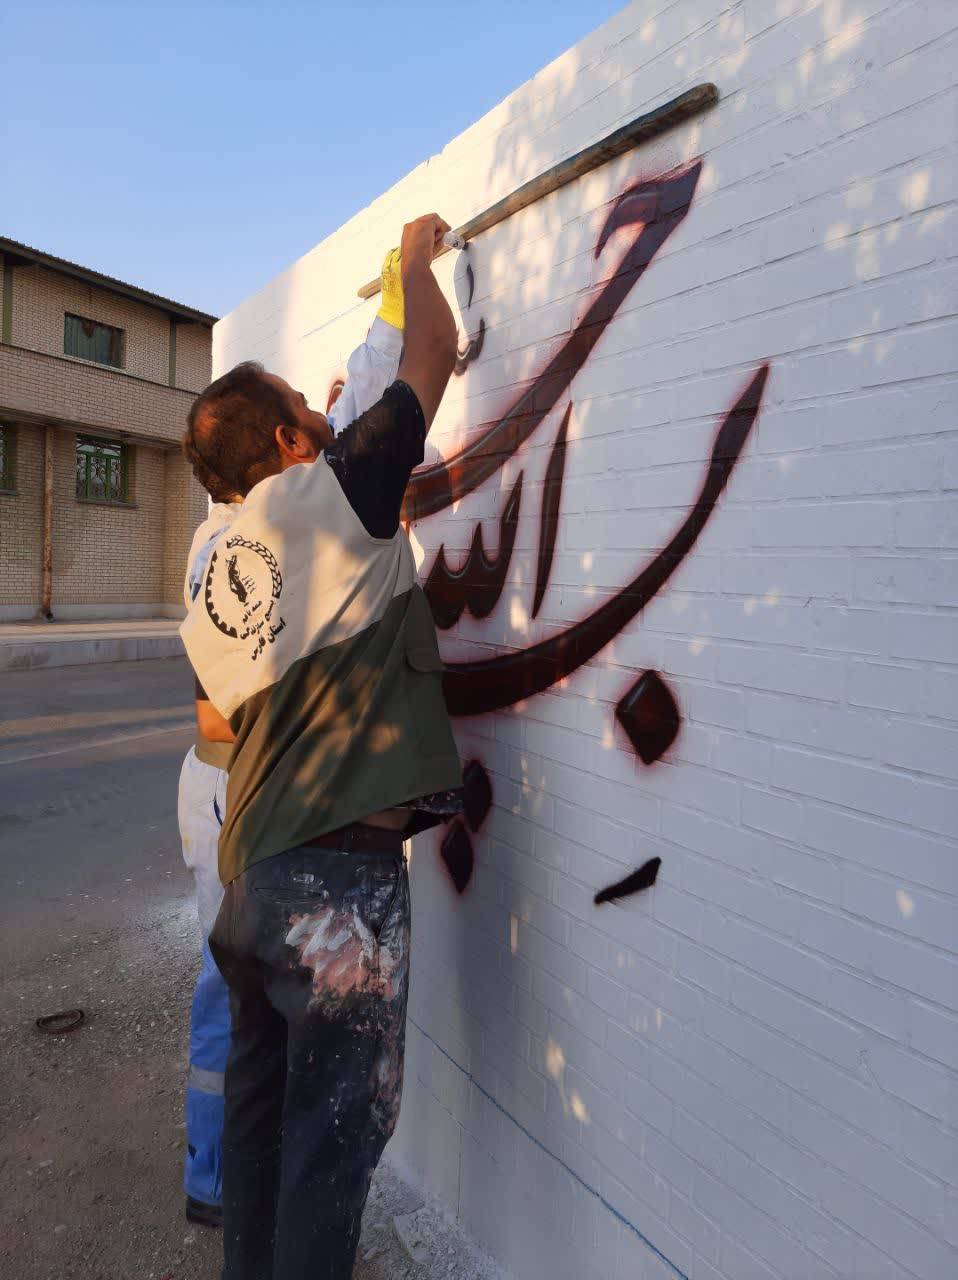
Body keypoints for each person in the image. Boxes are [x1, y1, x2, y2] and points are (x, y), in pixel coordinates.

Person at [180, 213, 464, 1280]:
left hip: (250, 884)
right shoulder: (333, 496)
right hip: (333, 890)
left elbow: (217, 715)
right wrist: (416, 267)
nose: (325, 412)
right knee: (333, 1147)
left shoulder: (212, 570)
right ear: (290, 444)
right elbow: (430, 357)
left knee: (263, 1126)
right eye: (308, 410)